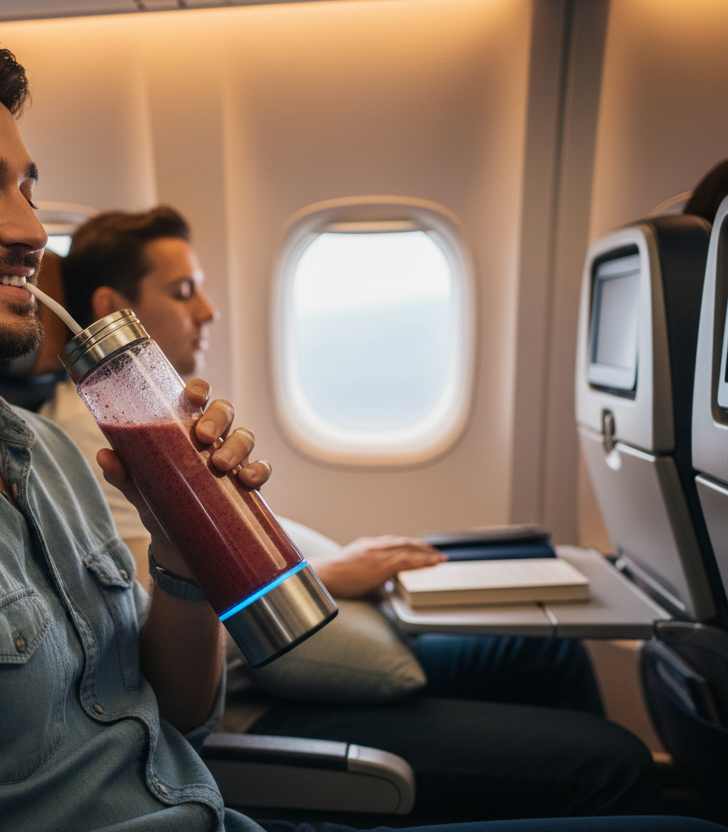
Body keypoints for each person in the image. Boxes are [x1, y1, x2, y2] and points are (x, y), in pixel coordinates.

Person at [0, 25, 728, 832]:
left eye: (27, 189)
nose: (30, 230)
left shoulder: (39, 454)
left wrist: (182, 560)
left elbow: (178, 713)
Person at [45, 206, 661, 822]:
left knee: (554, 655)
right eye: (184, 292)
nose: (209, 309)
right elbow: (157, 628)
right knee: (613, 762)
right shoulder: (95, 448)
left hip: (323, 635)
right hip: (263, 696)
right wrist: (331, 575)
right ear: (109, 308)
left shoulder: (165, 414)